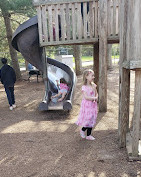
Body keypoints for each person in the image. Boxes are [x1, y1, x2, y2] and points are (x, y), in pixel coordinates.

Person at [76, 69, 98, 140]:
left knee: (92, 118)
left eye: (93, 76)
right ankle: (82, 130)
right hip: (87, 105)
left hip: (93, 105)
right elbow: (86, 97)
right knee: (88, 119)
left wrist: (95, 90)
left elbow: (96, 94)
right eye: (92, 75)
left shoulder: (93, 85)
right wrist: (94, 98)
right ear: (86, 76)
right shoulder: (84, 87)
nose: (93, 77)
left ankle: (89, 135)